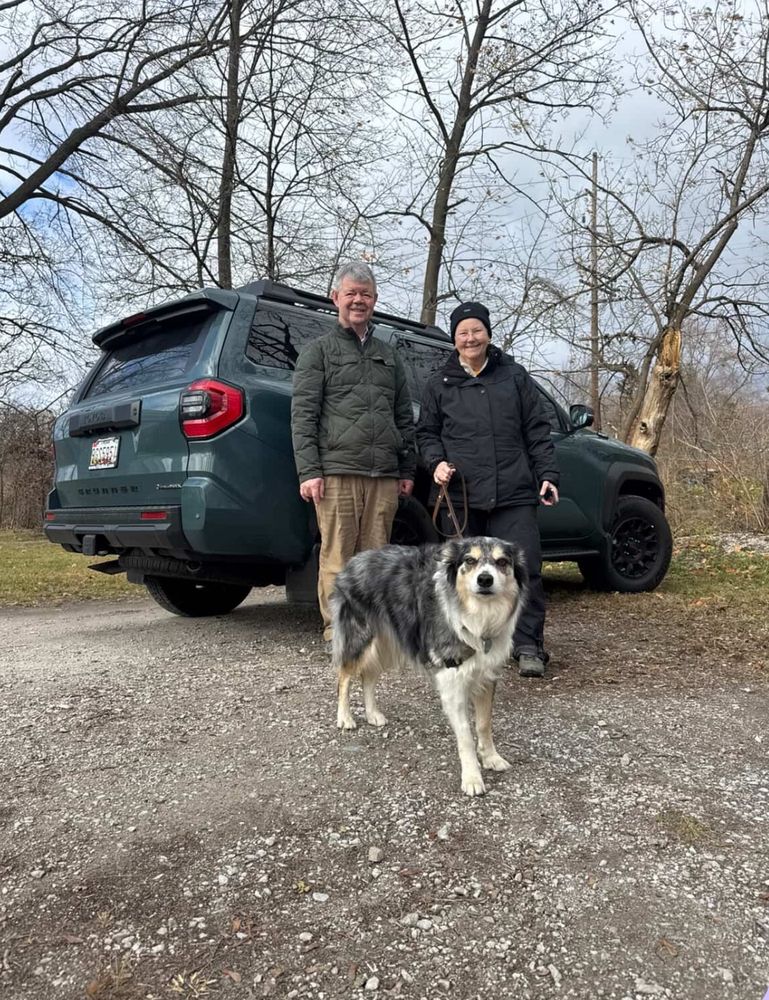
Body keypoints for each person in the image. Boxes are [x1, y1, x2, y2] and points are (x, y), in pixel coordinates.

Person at [416, 301, 559, 678]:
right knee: (458, 574)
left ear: (488, 334)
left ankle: (528, 645)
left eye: (476, 330)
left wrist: (548, 474)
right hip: (462, 496)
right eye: (462, 332)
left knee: (524, 570)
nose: (470, 338)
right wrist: (436, 464)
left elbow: (538, 431)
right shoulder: (439, 383)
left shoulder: (514, 376)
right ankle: (461, 641)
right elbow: (426, 433)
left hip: (513, 491)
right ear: (454, 339)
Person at [291, 260, 416, 645]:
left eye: (365, 294)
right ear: (336, 299)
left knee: (376, 558)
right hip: (336, 473)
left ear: (374, 300)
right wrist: (309, 470)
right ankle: (338, 630)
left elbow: (403, 415)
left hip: (383, 476)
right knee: (337, 557)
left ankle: (371, 628)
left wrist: (406, 468)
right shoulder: (319, 352)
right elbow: (303, 415)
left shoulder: (389, 356)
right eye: (351, 294)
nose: (358, 301)